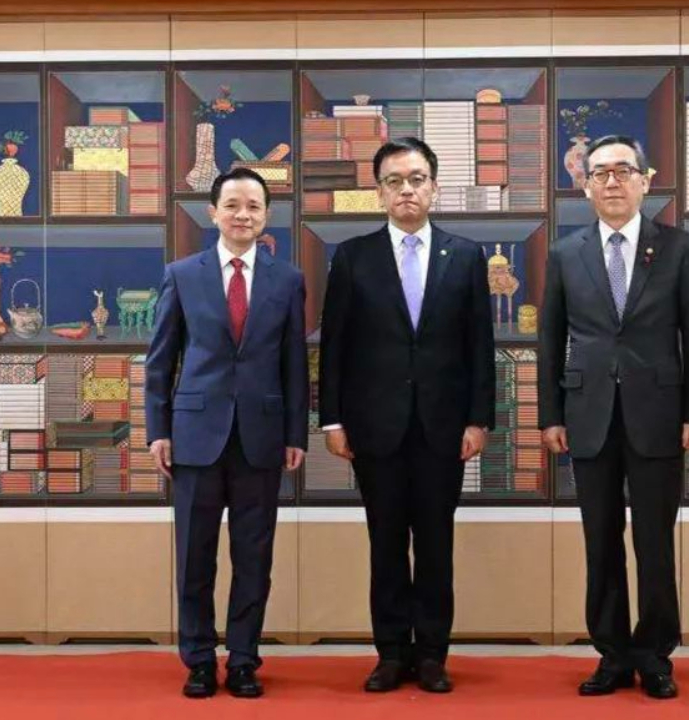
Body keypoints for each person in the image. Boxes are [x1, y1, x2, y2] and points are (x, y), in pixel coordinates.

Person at [538, 134, 689, 700]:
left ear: (644, 180)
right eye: (600, 173)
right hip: (587, 415)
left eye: (622, 171)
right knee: (600, 540)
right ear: (584, 186)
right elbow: (550, 340)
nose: (612, 181)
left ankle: (655, 654)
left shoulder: (679, 247)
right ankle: (612, 654)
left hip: (659, 414)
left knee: (655, 542)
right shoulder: (566, 252)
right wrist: (550, 415)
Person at [318, 137, 495, 694]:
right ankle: (392, 653)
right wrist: (333, 421)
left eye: (416, 179)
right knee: (387, 542)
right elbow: (335, 346)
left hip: (445, 427)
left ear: (434, 187)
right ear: (379, 193)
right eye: (394, 181)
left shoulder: (465, 255)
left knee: (437, 542)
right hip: (376, 427)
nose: (406, 190)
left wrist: (478, 419)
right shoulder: (352, 257)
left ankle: (434, 655)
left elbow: (479, 348)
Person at [145, 167, 308, 699]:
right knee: (194, 555)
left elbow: (294, 364)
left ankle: (242, 659)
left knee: (253, 557)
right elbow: (160, 360)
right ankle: (196, 658)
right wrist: (158, 430)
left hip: (261, 437)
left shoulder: (287, 280)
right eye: (233, 205)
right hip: (194, 435)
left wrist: (295, 434)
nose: (244, 215)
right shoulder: (182, 274)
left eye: (255, 207)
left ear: (267, 216)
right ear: (212, 212)